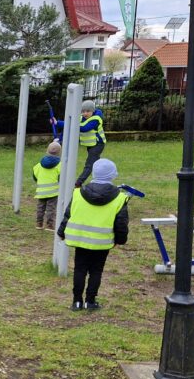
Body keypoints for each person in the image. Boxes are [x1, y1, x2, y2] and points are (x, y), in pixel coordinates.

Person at [57, 159, 129, 311]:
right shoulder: (120, 197)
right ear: (112, 175)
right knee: (96, 270)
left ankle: (76, 301)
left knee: (79, 269)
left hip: (80, 238)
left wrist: (61, 232)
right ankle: (90, 301)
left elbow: (68, 214)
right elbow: (121, 223)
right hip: (102, 242)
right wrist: (120, 240)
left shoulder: (78, 193)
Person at [52, 100, 105, 187]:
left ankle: (78, 182)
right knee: (96, 164)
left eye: (88, 111)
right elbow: (69, 123)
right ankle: (102, 179)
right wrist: (57, 123)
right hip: (90, 145)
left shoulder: (96, 119)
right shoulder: (81, 117)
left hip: (98, 145)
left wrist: (72, 124)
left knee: (90, 164)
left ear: (93, 111)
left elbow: (85, 128)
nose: (85, 113)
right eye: (83, 111)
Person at [33, 141, 62, 231]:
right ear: (59, 153)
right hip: (53, 192)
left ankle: (39, 223)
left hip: (41, 191)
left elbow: (35, 175)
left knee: (40, 207)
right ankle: (49, 225)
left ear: (47, 151)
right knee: (51, 209)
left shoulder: (38, 165)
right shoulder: (60, 165)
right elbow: (61, 178)